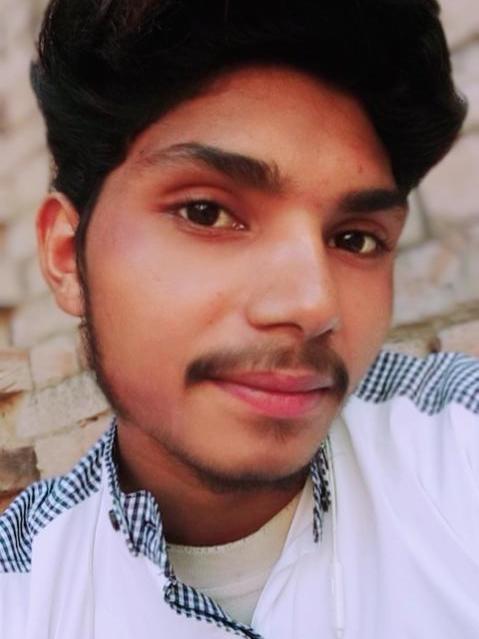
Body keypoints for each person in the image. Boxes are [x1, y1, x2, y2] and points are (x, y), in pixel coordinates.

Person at [1, 1, 478, 637]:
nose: (313, 305)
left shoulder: (455, 447)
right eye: (206, 212)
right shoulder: (22, 588)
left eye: (356, 239)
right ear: (67, 258)